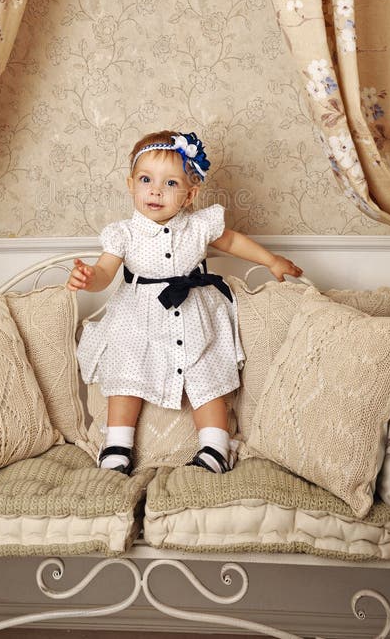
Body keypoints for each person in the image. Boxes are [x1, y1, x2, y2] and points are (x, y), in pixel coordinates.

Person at [67, 129, 303, 475]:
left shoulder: (198, 226)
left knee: (206, 370)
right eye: (146, 179)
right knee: (126, 365)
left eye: (171, 184)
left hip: (193, 313)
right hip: (139, 316)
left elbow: (233, 241)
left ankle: (215, 447)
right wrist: (90, 279)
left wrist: (270, 261)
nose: (156, 190)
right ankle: (117, 446)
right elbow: (105, 271)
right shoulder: (124, 234)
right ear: (131, 184)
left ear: (190, 194)